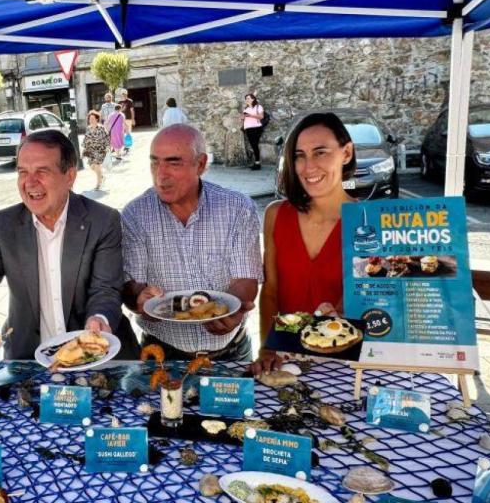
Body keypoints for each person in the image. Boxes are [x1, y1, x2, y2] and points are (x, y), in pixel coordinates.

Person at [0, 130, 140, 359]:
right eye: (23, 172)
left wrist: (99, 319)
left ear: (69, 175)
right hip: (29, 360)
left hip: (96, 356)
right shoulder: (5, 224)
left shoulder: (102, 221)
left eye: (42, 171)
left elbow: (106, 289)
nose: (29, 182)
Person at [122, 124, 262, 360]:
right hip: (160, 354)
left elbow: (246, 278)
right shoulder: (135, 214)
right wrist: (140, 297)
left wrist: (232, 308)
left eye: (173, 162)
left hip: (231, 353)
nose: (160, 175)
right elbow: (132, 284)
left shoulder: (237, 208)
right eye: (154, 162)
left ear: (201, 164)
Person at [253, 112, 355, 374]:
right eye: (300, 155)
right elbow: (271, 291)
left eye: (320, 152)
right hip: (285, 356)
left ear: (346, 153)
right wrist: (266, 349)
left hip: (345, 360)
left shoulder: (370, 223)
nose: (308, 167)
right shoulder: (276, 215)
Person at [82, 110, 110, 190]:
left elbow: (107, 138)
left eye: (93, 119)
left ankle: (98, 184)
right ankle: (102, 176)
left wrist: (107, 147)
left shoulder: (101, 128)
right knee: (92, 166)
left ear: (97, 119)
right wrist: (84, 151)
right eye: (90, 119)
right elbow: (86, 140)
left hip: (100, 150)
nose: (91, 120)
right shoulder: (88, 128)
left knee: (97, 166)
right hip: (91, 151)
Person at [242, 93, 265, 170]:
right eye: (246, 99)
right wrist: (242, 117)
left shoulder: (258, 107)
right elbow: (243, 118)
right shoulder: (246, 109)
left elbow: (261, 117)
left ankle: (257, 163)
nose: (247, 100)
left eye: (248, 98)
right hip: (248, 128)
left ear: (253, 99)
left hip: (256, 128)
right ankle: (256, 162)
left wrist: (250, 115)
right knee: (253, 145)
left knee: (255, 145)